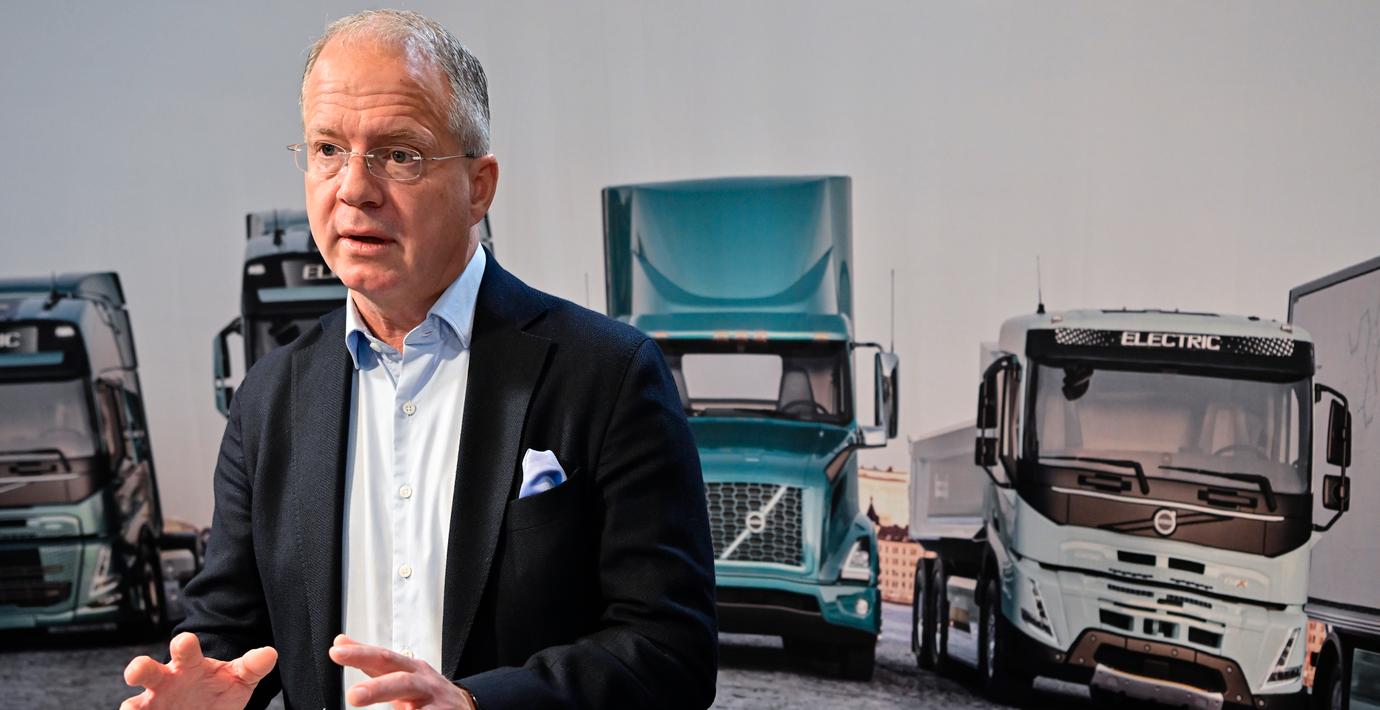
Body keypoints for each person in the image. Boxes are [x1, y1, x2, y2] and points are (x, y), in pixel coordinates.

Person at [120, 9, 717, 710]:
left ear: (479, 187)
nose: (354, 188)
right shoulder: (270, 397)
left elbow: (669, 650)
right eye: (328, 149)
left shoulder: (607, 374)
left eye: (400, 154)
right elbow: (231, 634)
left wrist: (475, 705)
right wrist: (206, 691)